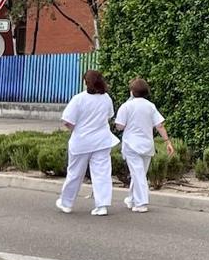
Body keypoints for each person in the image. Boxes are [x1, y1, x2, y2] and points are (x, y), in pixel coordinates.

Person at [57, 69, 119, 216]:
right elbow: (109, 116)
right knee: (102, 173)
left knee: (75, 174)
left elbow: (67, 121)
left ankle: (66, 203)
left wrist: (76, 129)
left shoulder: (79, 99)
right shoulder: (106, 98)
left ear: (85, 82)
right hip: (102, 141)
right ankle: (102, 205)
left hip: (81, 142)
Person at [114, 77, 174, 214]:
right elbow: (159, 125)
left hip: (131, 145)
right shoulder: (150, 106)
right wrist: (167, 142)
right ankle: (131, 199)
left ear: (131, 91)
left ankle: (141, 203)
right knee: (139, 173)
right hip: (147, 145)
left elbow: (120, 126)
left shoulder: (126, 106)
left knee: (138, 174)